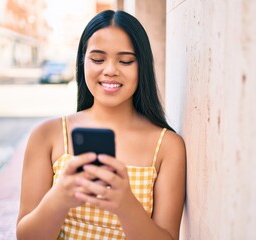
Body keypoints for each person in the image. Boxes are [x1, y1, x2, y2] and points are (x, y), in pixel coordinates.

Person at [16, 10, 186, 240]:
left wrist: (126, 206)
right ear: (82, 61)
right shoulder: (48, 135)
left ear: (142, 66)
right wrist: (59, 198)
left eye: (125, 60)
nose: (110, 70)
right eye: (97, 59)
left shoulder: (167, 145)